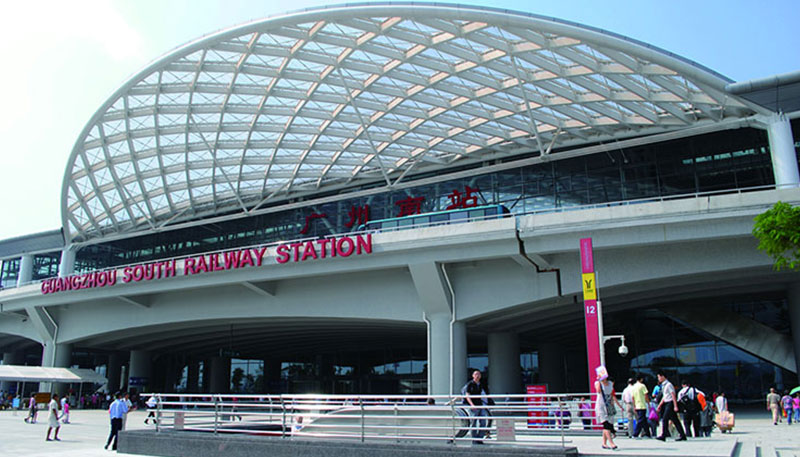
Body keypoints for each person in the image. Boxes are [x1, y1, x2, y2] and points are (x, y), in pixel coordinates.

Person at [594, 366, 621, 450]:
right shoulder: (597, 383)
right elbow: (598, 391)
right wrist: (599, 380)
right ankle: (611, 443)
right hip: (601, 406)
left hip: (608, 406)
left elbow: (611, 393)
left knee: (608, 425)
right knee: (606, 425)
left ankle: (604, 443)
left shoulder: (610, 383)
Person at [655, 371, 687, 442]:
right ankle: (682, 435)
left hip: (670, 403)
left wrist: (675, 406)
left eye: (659, 377)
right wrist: (660, 405)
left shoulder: (669, 385)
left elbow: (673, 395)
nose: (658, 378)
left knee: (665, 418)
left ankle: (664, 434)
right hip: (666, 403)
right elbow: (664, 396)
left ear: (663, 376)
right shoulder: (663, 385)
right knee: (675, 420)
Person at [461, 369, 489, 444]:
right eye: (476, 374)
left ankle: (479, 438)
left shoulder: (481, 384)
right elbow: (467, 395)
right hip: (473, 406)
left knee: (483, 422)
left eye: (479, 374)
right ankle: (474, 439)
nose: (477, 376)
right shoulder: (470, 384)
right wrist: (472, 405)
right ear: (473, 376)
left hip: (480, 405)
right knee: (473, 422)